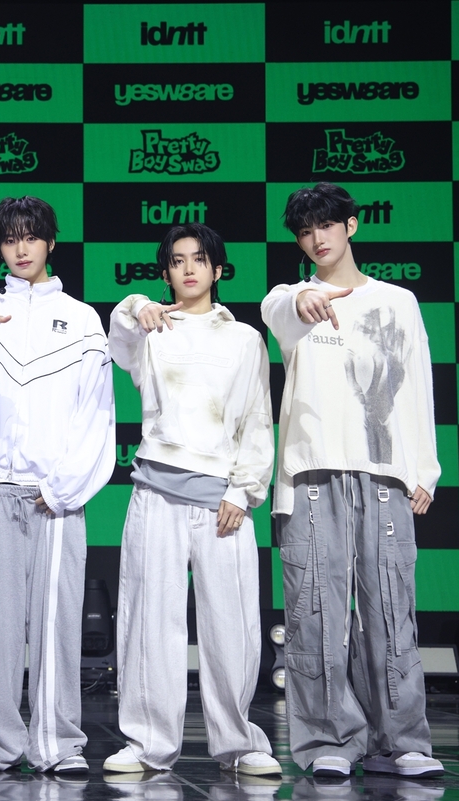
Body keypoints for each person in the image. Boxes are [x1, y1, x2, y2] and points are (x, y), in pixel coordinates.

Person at [261, 182, 443, 779]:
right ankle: (328, 742)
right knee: (313, 610)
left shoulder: (399, 301)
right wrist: (303, 298)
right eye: (304, 231)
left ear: (351, 226)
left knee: (391, 606)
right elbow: (280, 311)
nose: (316, 238)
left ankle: (401, 742)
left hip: (385, 471)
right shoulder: (288, 300)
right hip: (311, 472)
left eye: (326, 225)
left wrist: (424, 467)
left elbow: (417, 383)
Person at [0, 196, 115, 774]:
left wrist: (65, 488)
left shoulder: (83, 319)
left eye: (31, 237)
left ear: (50, 242)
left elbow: (97, 413)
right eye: (10, 238)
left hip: (53, 496)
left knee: (56, 625)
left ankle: (58, 744)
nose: (20, 248)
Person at [103, 223, 279, 777]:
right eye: (177, 261)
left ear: (218, 269)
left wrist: (244, 490)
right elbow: (118, 335)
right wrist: (137, 305)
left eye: (199, 259)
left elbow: (257, 419)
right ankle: (147, 744)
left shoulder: (244, 338)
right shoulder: (150, 331)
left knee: (231, 626)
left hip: (222, 502)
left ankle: (239, 743)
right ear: (166, 272)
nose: (188, 269)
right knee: (149, 623)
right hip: (156, 494)